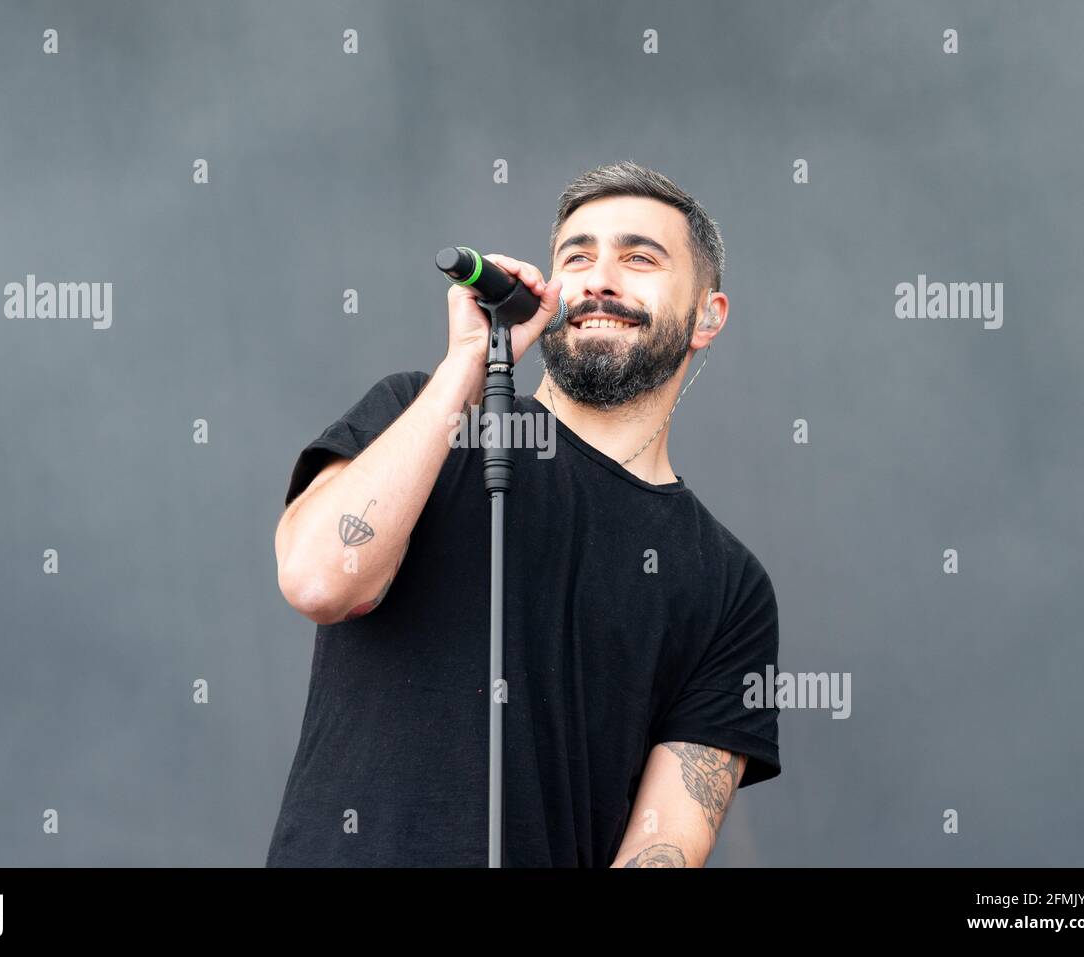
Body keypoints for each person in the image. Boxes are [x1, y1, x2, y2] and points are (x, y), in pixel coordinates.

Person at [267, 161, 781, 868]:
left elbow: (664, 844)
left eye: (638, 257)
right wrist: (467, 366)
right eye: (577, 256)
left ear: (707, 316)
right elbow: (320, 580)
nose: (599, 277)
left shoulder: (728, 584)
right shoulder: (421, 416)